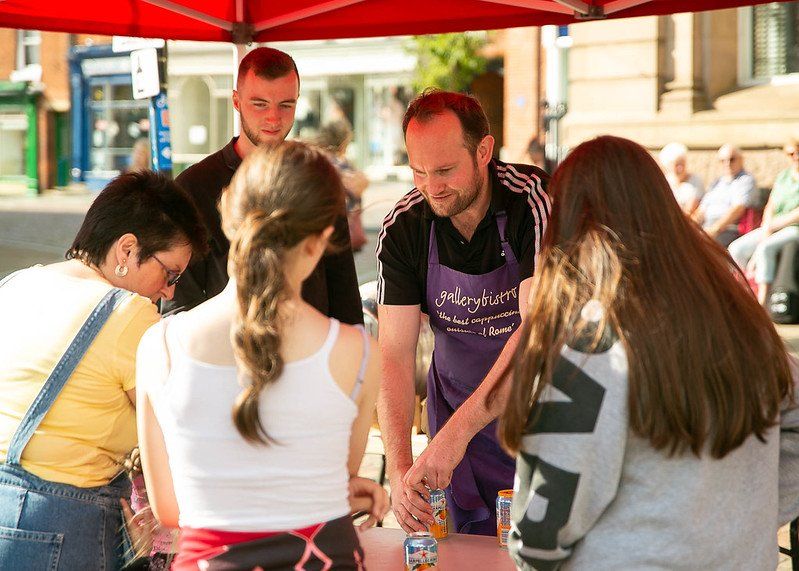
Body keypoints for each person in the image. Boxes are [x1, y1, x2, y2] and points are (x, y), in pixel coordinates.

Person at [495, 135, 799, 569]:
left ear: (571, 220)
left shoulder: (597, 338)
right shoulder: (737, 318)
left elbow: (547, 518)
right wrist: (736, 515)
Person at [136, 142, 386, 570]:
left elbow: (170, 510)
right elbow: (330, 476)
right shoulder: (356, 351)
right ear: (321, 240)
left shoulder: (160, 346)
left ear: (229, 217)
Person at [0, 171, 207, 570]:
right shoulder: (128, 313)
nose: (170, 292)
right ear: (127, 250)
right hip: (58, 521)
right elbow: (180, 431)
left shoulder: (16, 285)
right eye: (171, 273)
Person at [375, 89, 550, 536]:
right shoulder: (404, 228)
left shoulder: (532, 202)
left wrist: (452, 439)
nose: (432, 187)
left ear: (484, 151)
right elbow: (393, 354)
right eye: (418, 172)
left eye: (446, 170)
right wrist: (399, 470)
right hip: (456, 427)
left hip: (538, 425)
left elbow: (538, 334)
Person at [161, 47, 362, 327]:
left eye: (286, 105)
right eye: (259, 104)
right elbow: (179, 306)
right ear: (236, 101)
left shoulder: (318, 178)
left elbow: (345, 298)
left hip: (316, 355)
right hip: (224, 356)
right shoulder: (194, 188)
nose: (274, 118)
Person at [729, 139, 799, 305]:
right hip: (772, 225)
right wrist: (767, 225)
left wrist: (774, 225)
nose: (796, 156)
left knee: (764, 248)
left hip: (794, 228)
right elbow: (770, 205)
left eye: (798, 152)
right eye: (791, 153)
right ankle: (745, 294)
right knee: (736, 249)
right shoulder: (783, 177)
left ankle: (761, 302)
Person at [315, 119, 370, 251]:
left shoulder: (315, 160)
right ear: (344, 141)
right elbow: (359, 186)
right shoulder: (343, 165)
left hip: (320, 231)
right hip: (342, 232)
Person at [692, 144, 758, 247]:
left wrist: (715, 229)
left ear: (741, 160)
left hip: (730, 229)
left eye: (732, 159)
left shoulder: (746, 180)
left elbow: (738, 209)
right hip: (706, 227)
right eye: (723, 161)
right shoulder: (716, 183)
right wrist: (690, 227)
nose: (727, 163)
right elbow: (701, 210)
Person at [658, 141, 704, 215]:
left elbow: (690, 209)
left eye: (682, 163)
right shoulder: (664, 182)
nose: (680, 168)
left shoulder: (695, 181)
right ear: (669, 165)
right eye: (677, 165)